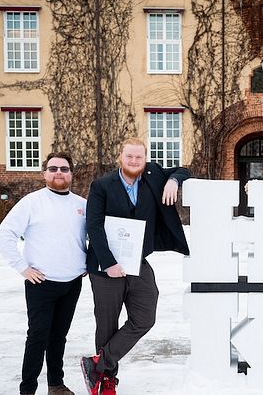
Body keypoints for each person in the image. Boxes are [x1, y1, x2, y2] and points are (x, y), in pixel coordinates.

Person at [81, 138, 190, 395]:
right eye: (129, 156)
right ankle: (106, 380)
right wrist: (108, 263)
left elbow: (183, 170)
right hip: (106, 269)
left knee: (145, 318)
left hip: (138, 263)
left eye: (138, 157)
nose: (133, 161)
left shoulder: (152, 176)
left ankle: (97, 364)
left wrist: (174, 181)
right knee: (107, 325)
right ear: (121, 156)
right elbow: (93, 226)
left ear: (145, 159)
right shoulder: (102, 186)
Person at [0, 151, 86, 395]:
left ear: (71, 174)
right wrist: (22, 268)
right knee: (38, 336)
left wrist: (88, 262)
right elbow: (4, 234)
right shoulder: (32, 202)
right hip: (41, 283)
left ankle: (56, 385)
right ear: (44, 173)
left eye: (64, 169)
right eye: (54, 168)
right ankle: (28, 390)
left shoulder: (81, 205)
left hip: (72, 282)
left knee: (59, 337)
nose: (59, 173)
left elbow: (93, 236)